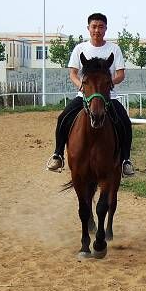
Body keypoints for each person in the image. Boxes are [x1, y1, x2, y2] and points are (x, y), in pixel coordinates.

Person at [46, 12, 135, 177]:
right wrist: (82, 85)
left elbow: (121, 74)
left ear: (106, 29)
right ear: (88, 28)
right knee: (63, 118)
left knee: (124, 121)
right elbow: (72, 73)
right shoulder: (80, 48)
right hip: (84, 97)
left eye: (101, 27)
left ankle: (125, 160)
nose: (97, 30)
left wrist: (107, 85)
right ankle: (58, 154)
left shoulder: (114, 49)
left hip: (108, 97)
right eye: (94, 26)